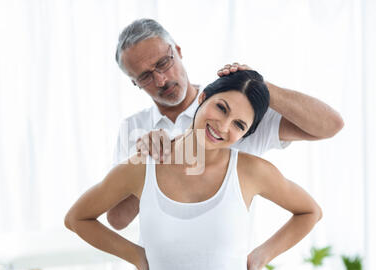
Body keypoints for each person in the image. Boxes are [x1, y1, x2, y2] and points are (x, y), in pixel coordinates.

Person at [64, 70, 323, 270]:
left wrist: (259, 259)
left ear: (245, 134)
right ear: (202, 98)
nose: (222, 126)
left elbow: (310, 211)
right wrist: (139, 258)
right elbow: (78, 218)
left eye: (239, 125)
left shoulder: (251, 171)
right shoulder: (145, 164)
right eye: (221, 108)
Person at [108, 18, 343, 231]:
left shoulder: (238, 111)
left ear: (178, 51)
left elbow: (331, 125)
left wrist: (258, 84)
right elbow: (117, 219)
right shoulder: (134, 127)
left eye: (163, 63)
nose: (161, 79)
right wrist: (147, 162)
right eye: (145, 76)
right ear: (134, 83)